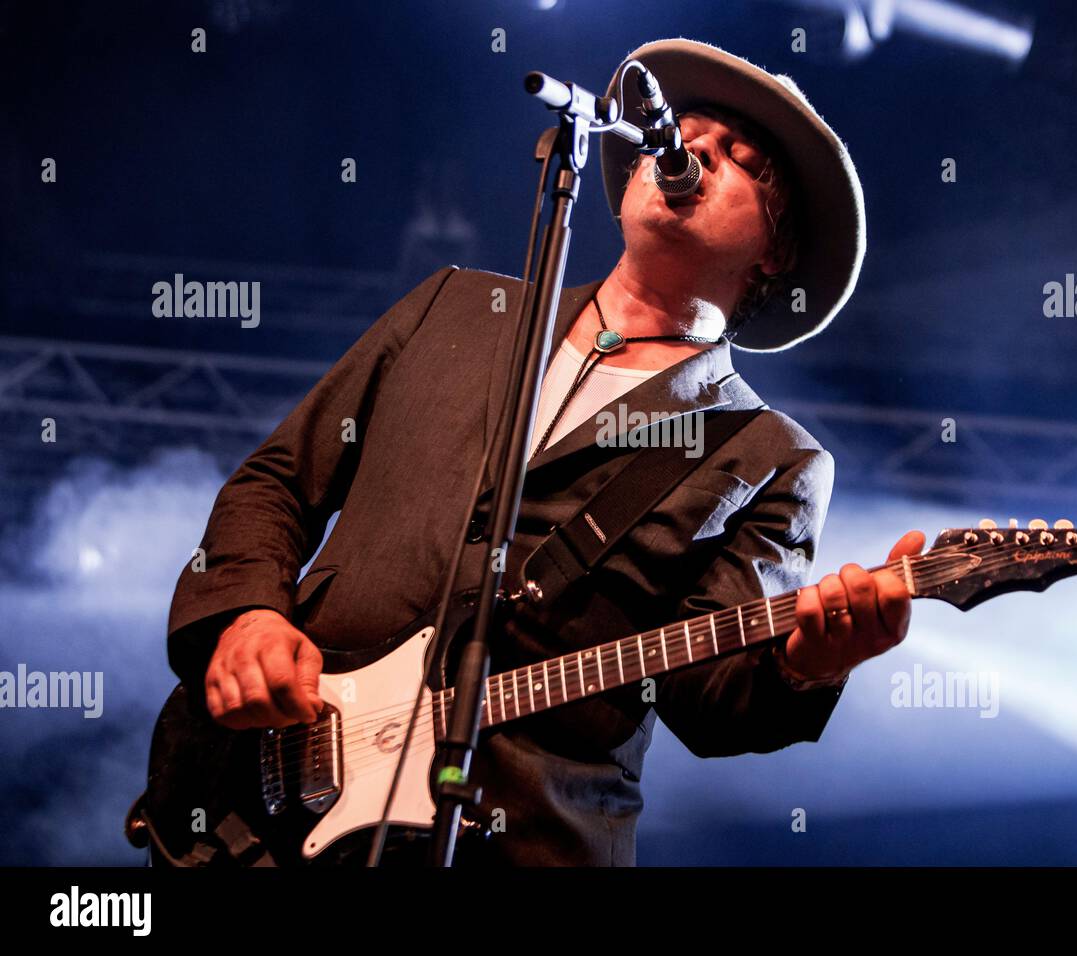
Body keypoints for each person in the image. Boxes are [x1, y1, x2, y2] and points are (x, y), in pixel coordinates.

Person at [165, 38, 924, 866]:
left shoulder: (767, 455)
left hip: (518, 839)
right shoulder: (457, 309)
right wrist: (248, 614)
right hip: (266, 811)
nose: (696, 148)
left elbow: (709, 700)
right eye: (688, 132)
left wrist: (809, 664)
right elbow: (276, 481)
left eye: (739, 159)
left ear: (775, 253)